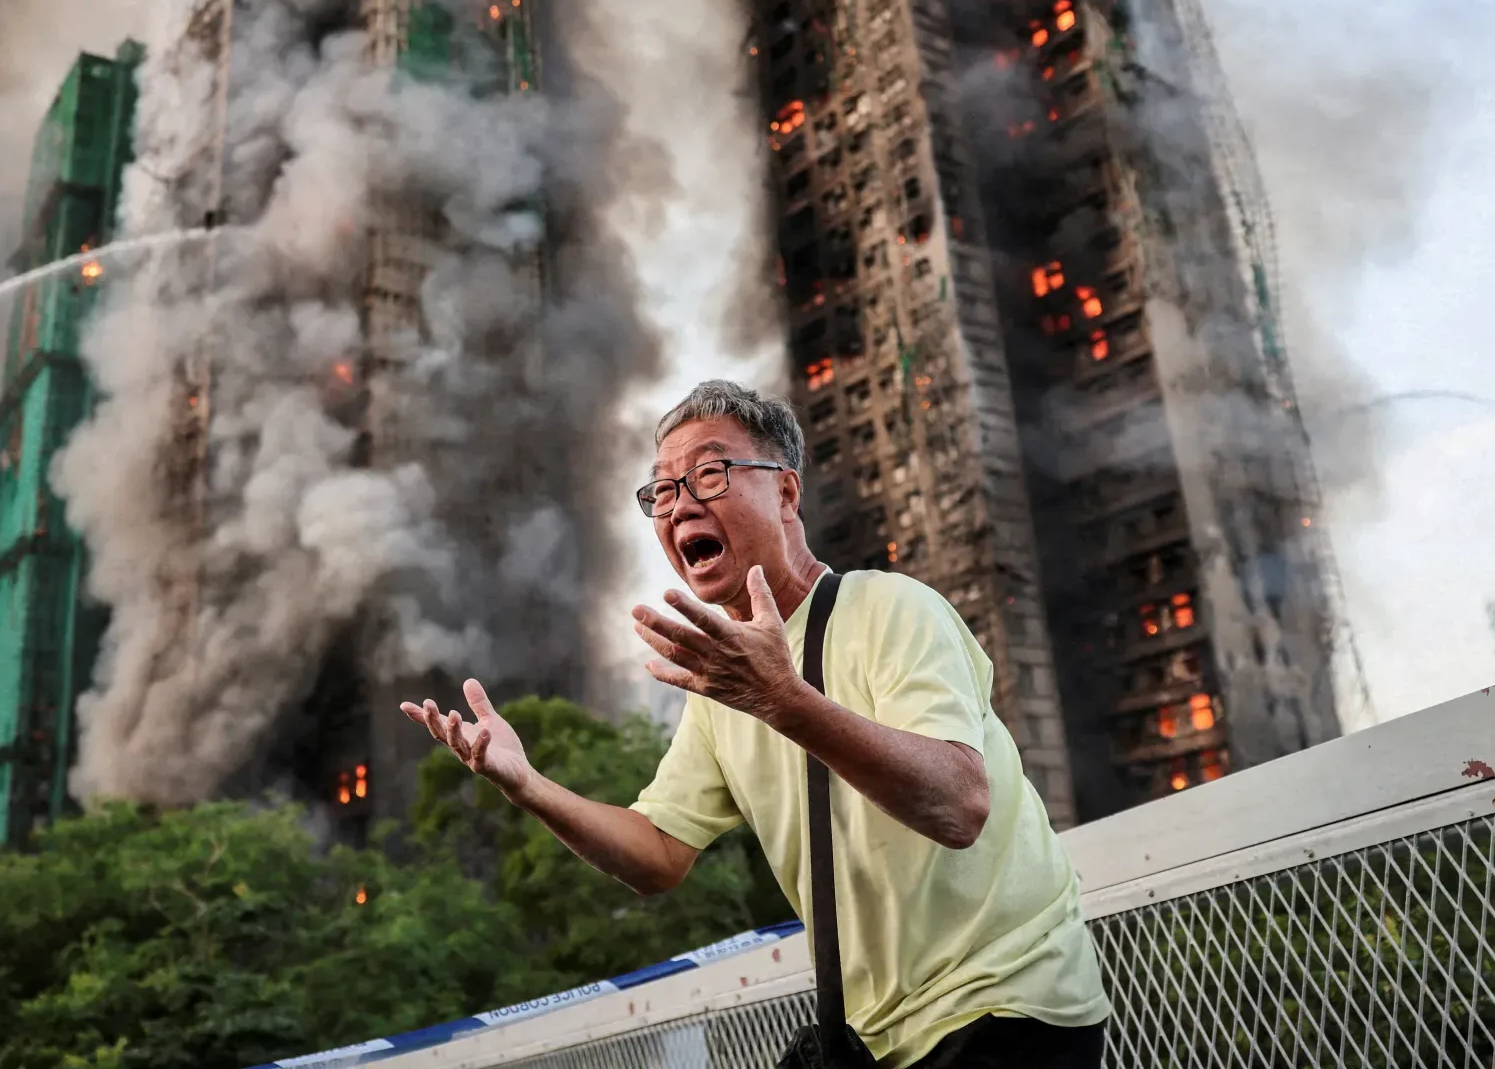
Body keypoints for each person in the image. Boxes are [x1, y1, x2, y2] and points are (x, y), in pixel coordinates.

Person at [403, 380, 1109, 1069]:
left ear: (787, 492)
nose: (681, 504)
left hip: (1008, 1009)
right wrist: (527, 785)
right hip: (874, 1038)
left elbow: (959, 806)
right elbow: (657, 855)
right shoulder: (722, 688)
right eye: (663, 491)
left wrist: (780, 698)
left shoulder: (892, 608)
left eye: (710, 473)